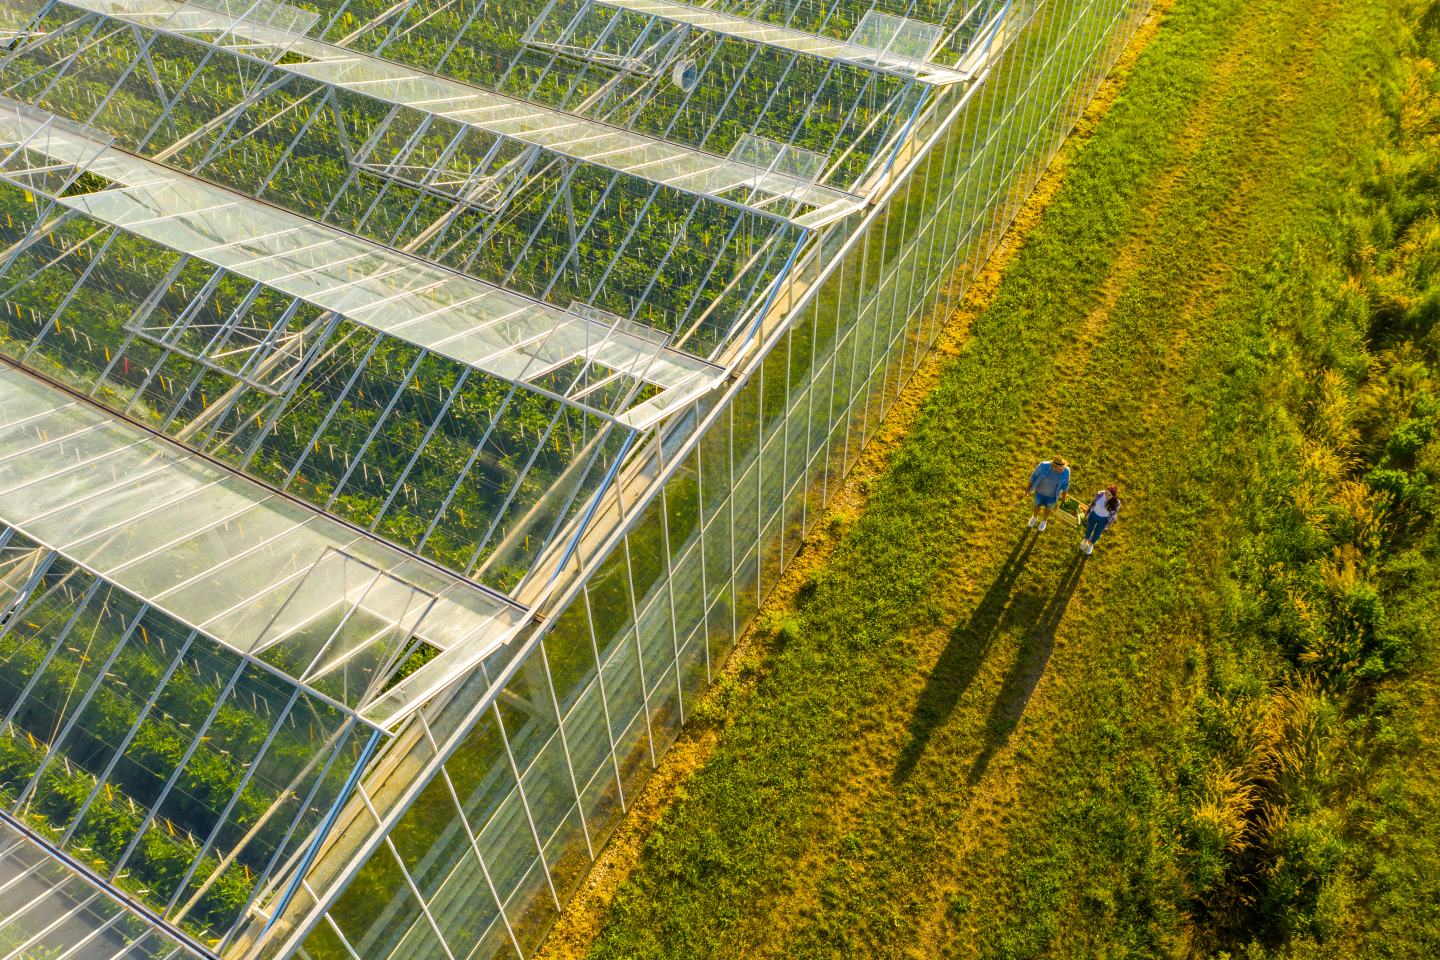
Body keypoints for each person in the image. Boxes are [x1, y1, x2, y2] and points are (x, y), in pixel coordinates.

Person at [1025, 456, 1070, 531]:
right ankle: (1034, 517)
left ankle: (1044, 521)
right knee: (1036, 506)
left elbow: (1066, 485)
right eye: (1060, 468)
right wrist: (1027, 489)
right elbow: (1033, 477)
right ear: (1053, 466)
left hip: (1052, 496)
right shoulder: (1043, 465)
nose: (1063, 470)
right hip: (1039, 492)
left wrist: (1063, 499)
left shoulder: (1066, 471)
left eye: (1063, 467)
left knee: (1048, 509)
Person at [1080, 485, 1120, 554]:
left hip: (1103, 519)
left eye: (1109, 495)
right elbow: (1092, 504)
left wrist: (1110, 524)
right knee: (1089, 528)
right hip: (1094, 515)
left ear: (1113, 496)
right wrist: (1087, 513)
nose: (1107, 496)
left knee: (1097, 533)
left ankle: (1091, 545)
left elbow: (1113, 515)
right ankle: (1085, 540)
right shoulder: (1099, 495)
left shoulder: (1116, 503)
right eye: (1106, 493)